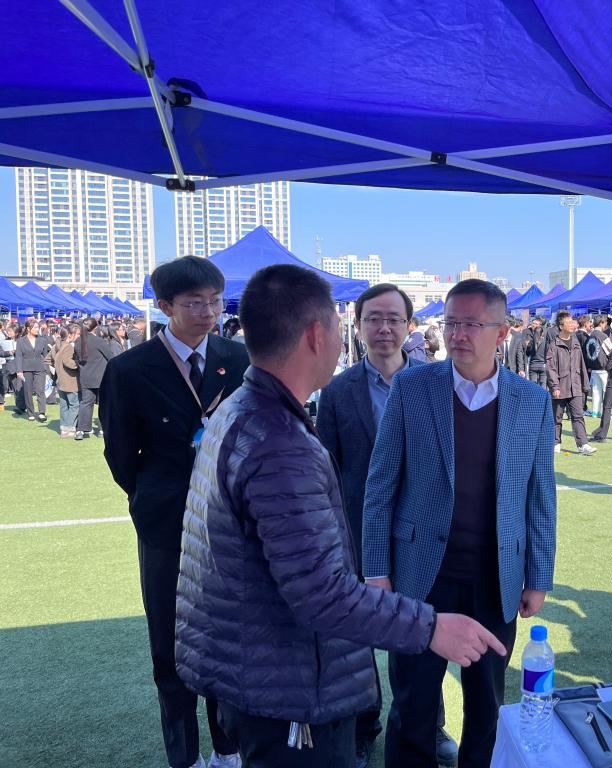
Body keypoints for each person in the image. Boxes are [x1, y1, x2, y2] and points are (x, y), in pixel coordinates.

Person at [175, 266, 502, 768]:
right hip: (288, 688)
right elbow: (321, 594)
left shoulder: (246, 409)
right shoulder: (278, 442)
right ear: (316, 334)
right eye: (341, 322)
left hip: (261, 670)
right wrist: (432, 626)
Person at [363, 279, 556, 768]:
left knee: (487, 705)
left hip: (496, 577)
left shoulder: (531, 400)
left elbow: (540, 497)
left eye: (471, 324)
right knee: (413, 703)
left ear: (502, 332)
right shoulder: (412, 387)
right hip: (419, 575)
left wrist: (538, 576)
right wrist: (376, 570)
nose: (457, 335)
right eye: (451, 323)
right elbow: (380, 485)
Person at [100, 256, 250, 768]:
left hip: (230, 518)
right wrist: (152, 496)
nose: (208, 313)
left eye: (215, 302)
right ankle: (184, 756)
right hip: (165, 522)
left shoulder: (239, 357)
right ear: (165, 307)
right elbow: (121, 455)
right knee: (169, 641)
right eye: (194, 304)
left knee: (227, 636)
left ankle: (228, 748)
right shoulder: (130, 369)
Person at [316, 283, 458, 768]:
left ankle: (429, 724)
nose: (384, 328)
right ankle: (364, 726)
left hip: (424, 536)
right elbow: (327, 468)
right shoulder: (338, 391)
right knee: (358, 639)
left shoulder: (437, 382)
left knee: (423, 632)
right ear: (358, 327)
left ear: (409, 326)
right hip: (360, 533)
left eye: (394, 319)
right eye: (373, 318)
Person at [547, 310, 596, 456]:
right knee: (557, 417)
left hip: (576, 386)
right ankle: (555, 443)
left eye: (572, 322)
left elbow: (581, 364)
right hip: (560, 386)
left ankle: (583, 444)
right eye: (568, 322)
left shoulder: (575, 342)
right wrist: (554, 386)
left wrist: (584, 384)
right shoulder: (554, 345)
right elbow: (550, 367)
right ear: (561, 326)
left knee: (578, 416)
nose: (572, 324)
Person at [74, 317, 115, 440]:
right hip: (101, 377)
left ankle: (81, 430)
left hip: (85, 376)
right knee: (103, 403)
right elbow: (110, 357)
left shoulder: (78, 341)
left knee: (86, 403)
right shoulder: (98, 341)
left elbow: (76, 358)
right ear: (95, 328)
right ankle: (103, 429)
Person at [46, 324, 81, 438]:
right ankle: (69, 429)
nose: (79, 336)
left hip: (60, 381)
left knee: (64, 406)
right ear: (70, 335)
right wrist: (80, 364)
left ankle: (64, 429)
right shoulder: (68, 347)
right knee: (74, 405)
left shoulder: (56, 346)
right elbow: (68, 362)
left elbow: (47, 359)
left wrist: (57, 367)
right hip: (71, 381)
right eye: (78, 334)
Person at [14, 318, 50, 422]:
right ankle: (30, 413)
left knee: (40, 390)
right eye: (35, 327)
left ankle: (42, 412)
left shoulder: (43, 340)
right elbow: (18, 357)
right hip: (26, 369)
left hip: (40, 368)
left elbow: (46, 356)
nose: (37, 329)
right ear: (28, 329)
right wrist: (19, 371)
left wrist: (47, 370)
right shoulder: (21, 341)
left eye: (38, 327)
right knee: (28, 391)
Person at [524, 317, 549, 388]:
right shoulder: (545, 342)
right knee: (543, 385)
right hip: (543, 365)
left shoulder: (531, 342)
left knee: (533, 386)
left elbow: (527, 353)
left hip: (533, 365)